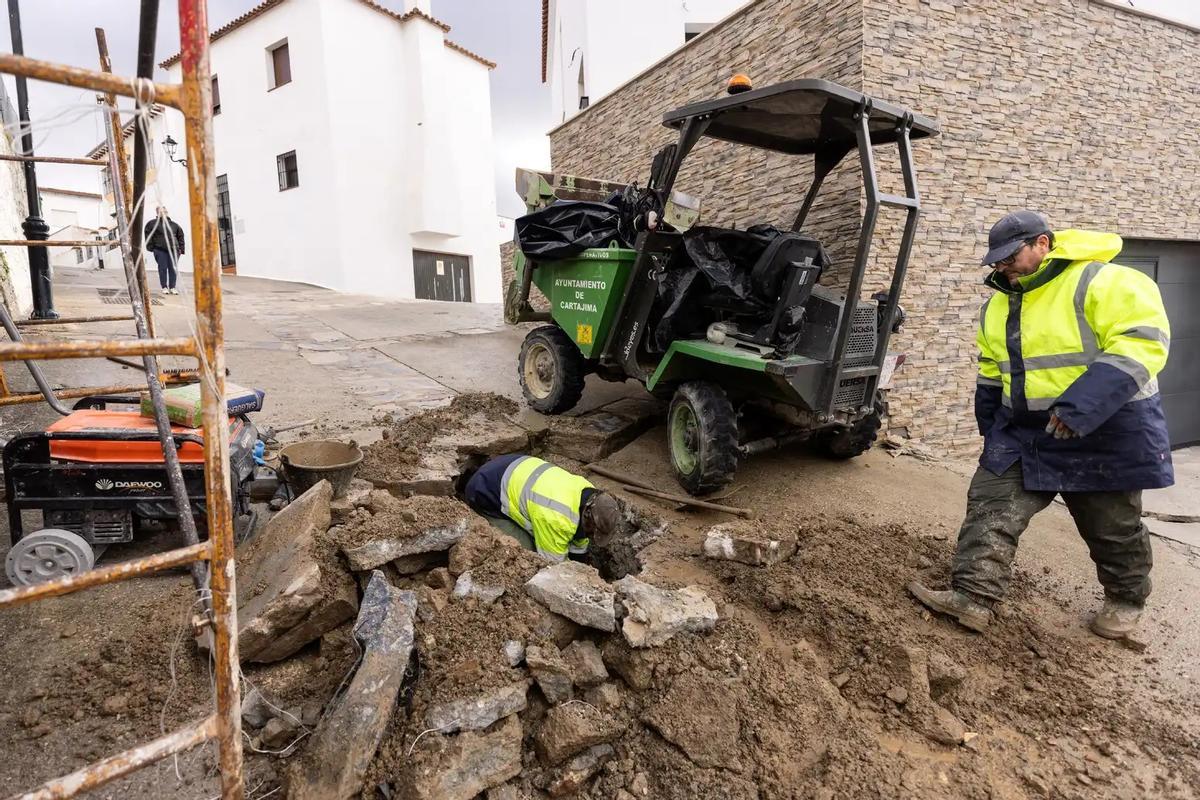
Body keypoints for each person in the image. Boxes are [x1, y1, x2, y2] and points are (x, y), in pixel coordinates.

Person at [909, 210, 1172, 641]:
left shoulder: (1106, 282)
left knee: (1111, 528)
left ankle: (1125, 600)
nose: (1002, 267)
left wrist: (1080, 407)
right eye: (996, 261)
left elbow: (1140, 345)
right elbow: (993, 367)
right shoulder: (997, 304)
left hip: (1102, 425)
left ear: (1043, 244)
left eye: (1010, 256)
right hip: (1026, 430)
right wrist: (989, 419)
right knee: (991, 504)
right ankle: (973, 597)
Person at [463, 454, 624, 561]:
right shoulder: (558, 518)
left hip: (512, 465)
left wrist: (581, 561)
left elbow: (581, 538)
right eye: (593, 531)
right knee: (528, 554)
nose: (591, 536)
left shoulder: (588, 492)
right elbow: (552, 565)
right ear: (588, 515)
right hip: (485, 491)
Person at [144, 206, 185, 295]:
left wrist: (181, 249)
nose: (164, 212)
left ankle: (172, 287)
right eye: (161, 211)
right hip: (160, 250)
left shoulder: (174, 225)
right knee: (162, 268)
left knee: (173, 269)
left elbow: (180, 236)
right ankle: (164, 287)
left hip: (174, 250)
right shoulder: (152, 224)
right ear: (157, 212)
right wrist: (151, 248)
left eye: (165, 210)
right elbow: (148, 235)